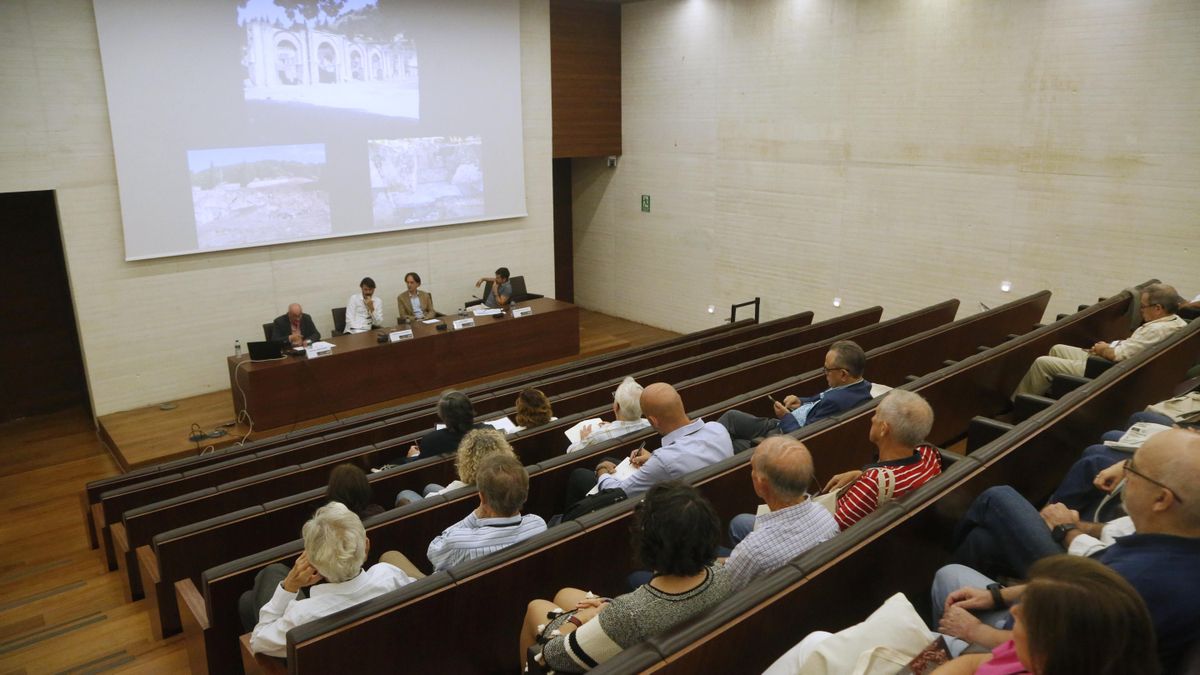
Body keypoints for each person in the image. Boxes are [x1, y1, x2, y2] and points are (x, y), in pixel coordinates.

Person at [931, 429, 1200, 672]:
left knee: (947, 579)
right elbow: (1080, 587)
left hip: (1027, 643)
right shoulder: (1170, 543)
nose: (1125, 476)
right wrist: (997, 596)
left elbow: (1054, 652)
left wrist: (976, 632)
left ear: (1162, 499)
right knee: (978, 546)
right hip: (1043, 622)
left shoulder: (1140, 580)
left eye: (1134, 470)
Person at [520, 482, 733, 672]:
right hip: (667, 647)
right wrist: (605, 610)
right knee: (565, 594)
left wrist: (580, 619)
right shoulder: (721, 575)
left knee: (535, 607)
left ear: (648, 544)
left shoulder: (628, 615)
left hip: (632, 639)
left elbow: (547, 655)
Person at [240, 502, 423, 657]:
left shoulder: (302, 616)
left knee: (253, 595)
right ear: (366, 546)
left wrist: (288, 587)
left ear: (313, 563)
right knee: (247, 602)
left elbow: (257, 639)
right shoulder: (389, 575)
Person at [932, 556, 1158, 675]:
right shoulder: (1032, 654)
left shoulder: (1036, 653)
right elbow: (974, 663)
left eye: (1026, 614)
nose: (1014, 610)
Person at [565, 383, 734, 507]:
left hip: (672, 512)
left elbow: (619, 491)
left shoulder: (664, 460)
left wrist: (601, 471)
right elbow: (692, 455)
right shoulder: (718, 429)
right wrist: (652, 458)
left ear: (653, 421)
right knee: (611, 459)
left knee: (581, 474)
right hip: (712, 500)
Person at [1012, 283, 1187, 398]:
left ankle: (1016, 405)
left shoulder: (1158, 330)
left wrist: (1103, 349)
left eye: (1143, 307)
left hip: (1108, 372)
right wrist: (1106, 348)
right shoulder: (1176, 322)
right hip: (1111, 361)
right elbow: (1132, 348)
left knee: (1043, 363)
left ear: (1158, 308)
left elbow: (1120, 355)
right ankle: (1048, 395)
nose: (1141, 310)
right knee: (1057, 348)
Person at [722, 437, 839, 590]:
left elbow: (724, 586)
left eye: (753, 468)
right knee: (740, 523)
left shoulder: (753, 551)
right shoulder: (825, 514)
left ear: (761, 484)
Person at [718, 341, 874, 452]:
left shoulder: (838, 401)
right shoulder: (858, 386)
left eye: (827, 369)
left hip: (784, 437)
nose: (824, 373)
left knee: (730, 444)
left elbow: (806, 435)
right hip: (782, 425)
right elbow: (820, 398)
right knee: (731, 418)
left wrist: (786, 416)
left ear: (843, 374)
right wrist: (801, 402)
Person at [818, 389, 940, 530]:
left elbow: (829, 532)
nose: (872, 418)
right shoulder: (930, 454)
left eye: (877, 414)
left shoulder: (873, 483)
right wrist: (863, 474)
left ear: (883, 429)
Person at [425, 453, 547, 572]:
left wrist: (475, 515)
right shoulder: (539, 524)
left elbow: (433, 552)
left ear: (482, 497)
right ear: (525, 495)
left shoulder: (458, 544)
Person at [395, 428, 516, 505]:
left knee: (405, 494)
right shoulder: (512, 481)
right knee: (430, 487)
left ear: (466, 460)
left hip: (449, 516)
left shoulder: (455, 488)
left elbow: (430, 502)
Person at [566, 376, 652, 453]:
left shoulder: (596, 436)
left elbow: (571, 451)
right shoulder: (651, 425)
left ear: (616, 406)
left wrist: (584, 439)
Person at [396, 390, 486, 463]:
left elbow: (421, 464)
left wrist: (414, 455)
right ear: (470, 409)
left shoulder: (431, 441)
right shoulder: (487, 431)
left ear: (443, 416)